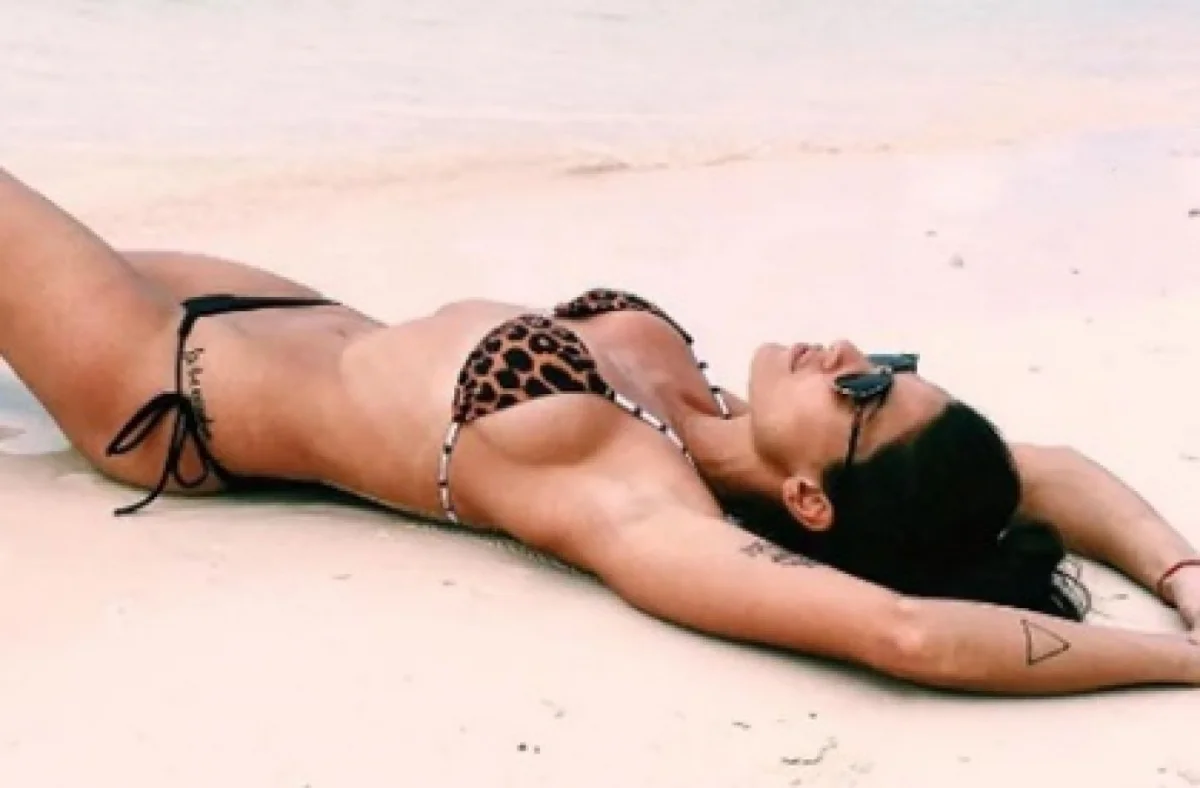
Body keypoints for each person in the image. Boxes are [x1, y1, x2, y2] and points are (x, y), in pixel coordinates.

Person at [2, 166, 1198, 695]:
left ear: (811, 501)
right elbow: (1047, 473)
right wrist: (1184, 576)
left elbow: (908, 630)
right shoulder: (715, 412)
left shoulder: (635, 498)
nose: (850, 355)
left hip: (168, 383)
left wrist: (1185, 662)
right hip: (278, 310)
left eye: (863, 397)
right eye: (886, 369)